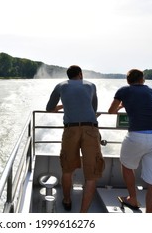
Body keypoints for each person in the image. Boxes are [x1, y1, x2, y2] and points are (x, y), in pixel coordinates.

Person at [46, 65, 104, 213]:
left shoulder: (60, 86)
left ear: (68, 76)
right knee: (91, 174)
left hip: (70, 130)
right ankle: (83, 213)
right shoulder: (91, 85)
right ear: (80, 74)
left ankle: (66, 200)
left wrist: (63, 106)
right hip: (90, 130)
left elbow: (49, 108)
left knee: (67, 169)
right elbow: (94, 109)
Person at [108, 69, 152, 213]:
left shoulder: (123, 91)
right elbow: (144, 106)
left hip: (137, 135)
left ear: (128, 81)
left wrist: (122, 105)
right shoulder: (151, 91)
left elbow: (111, 111)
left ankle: (132, 198)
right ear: (142, 79)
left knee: (127, 165)